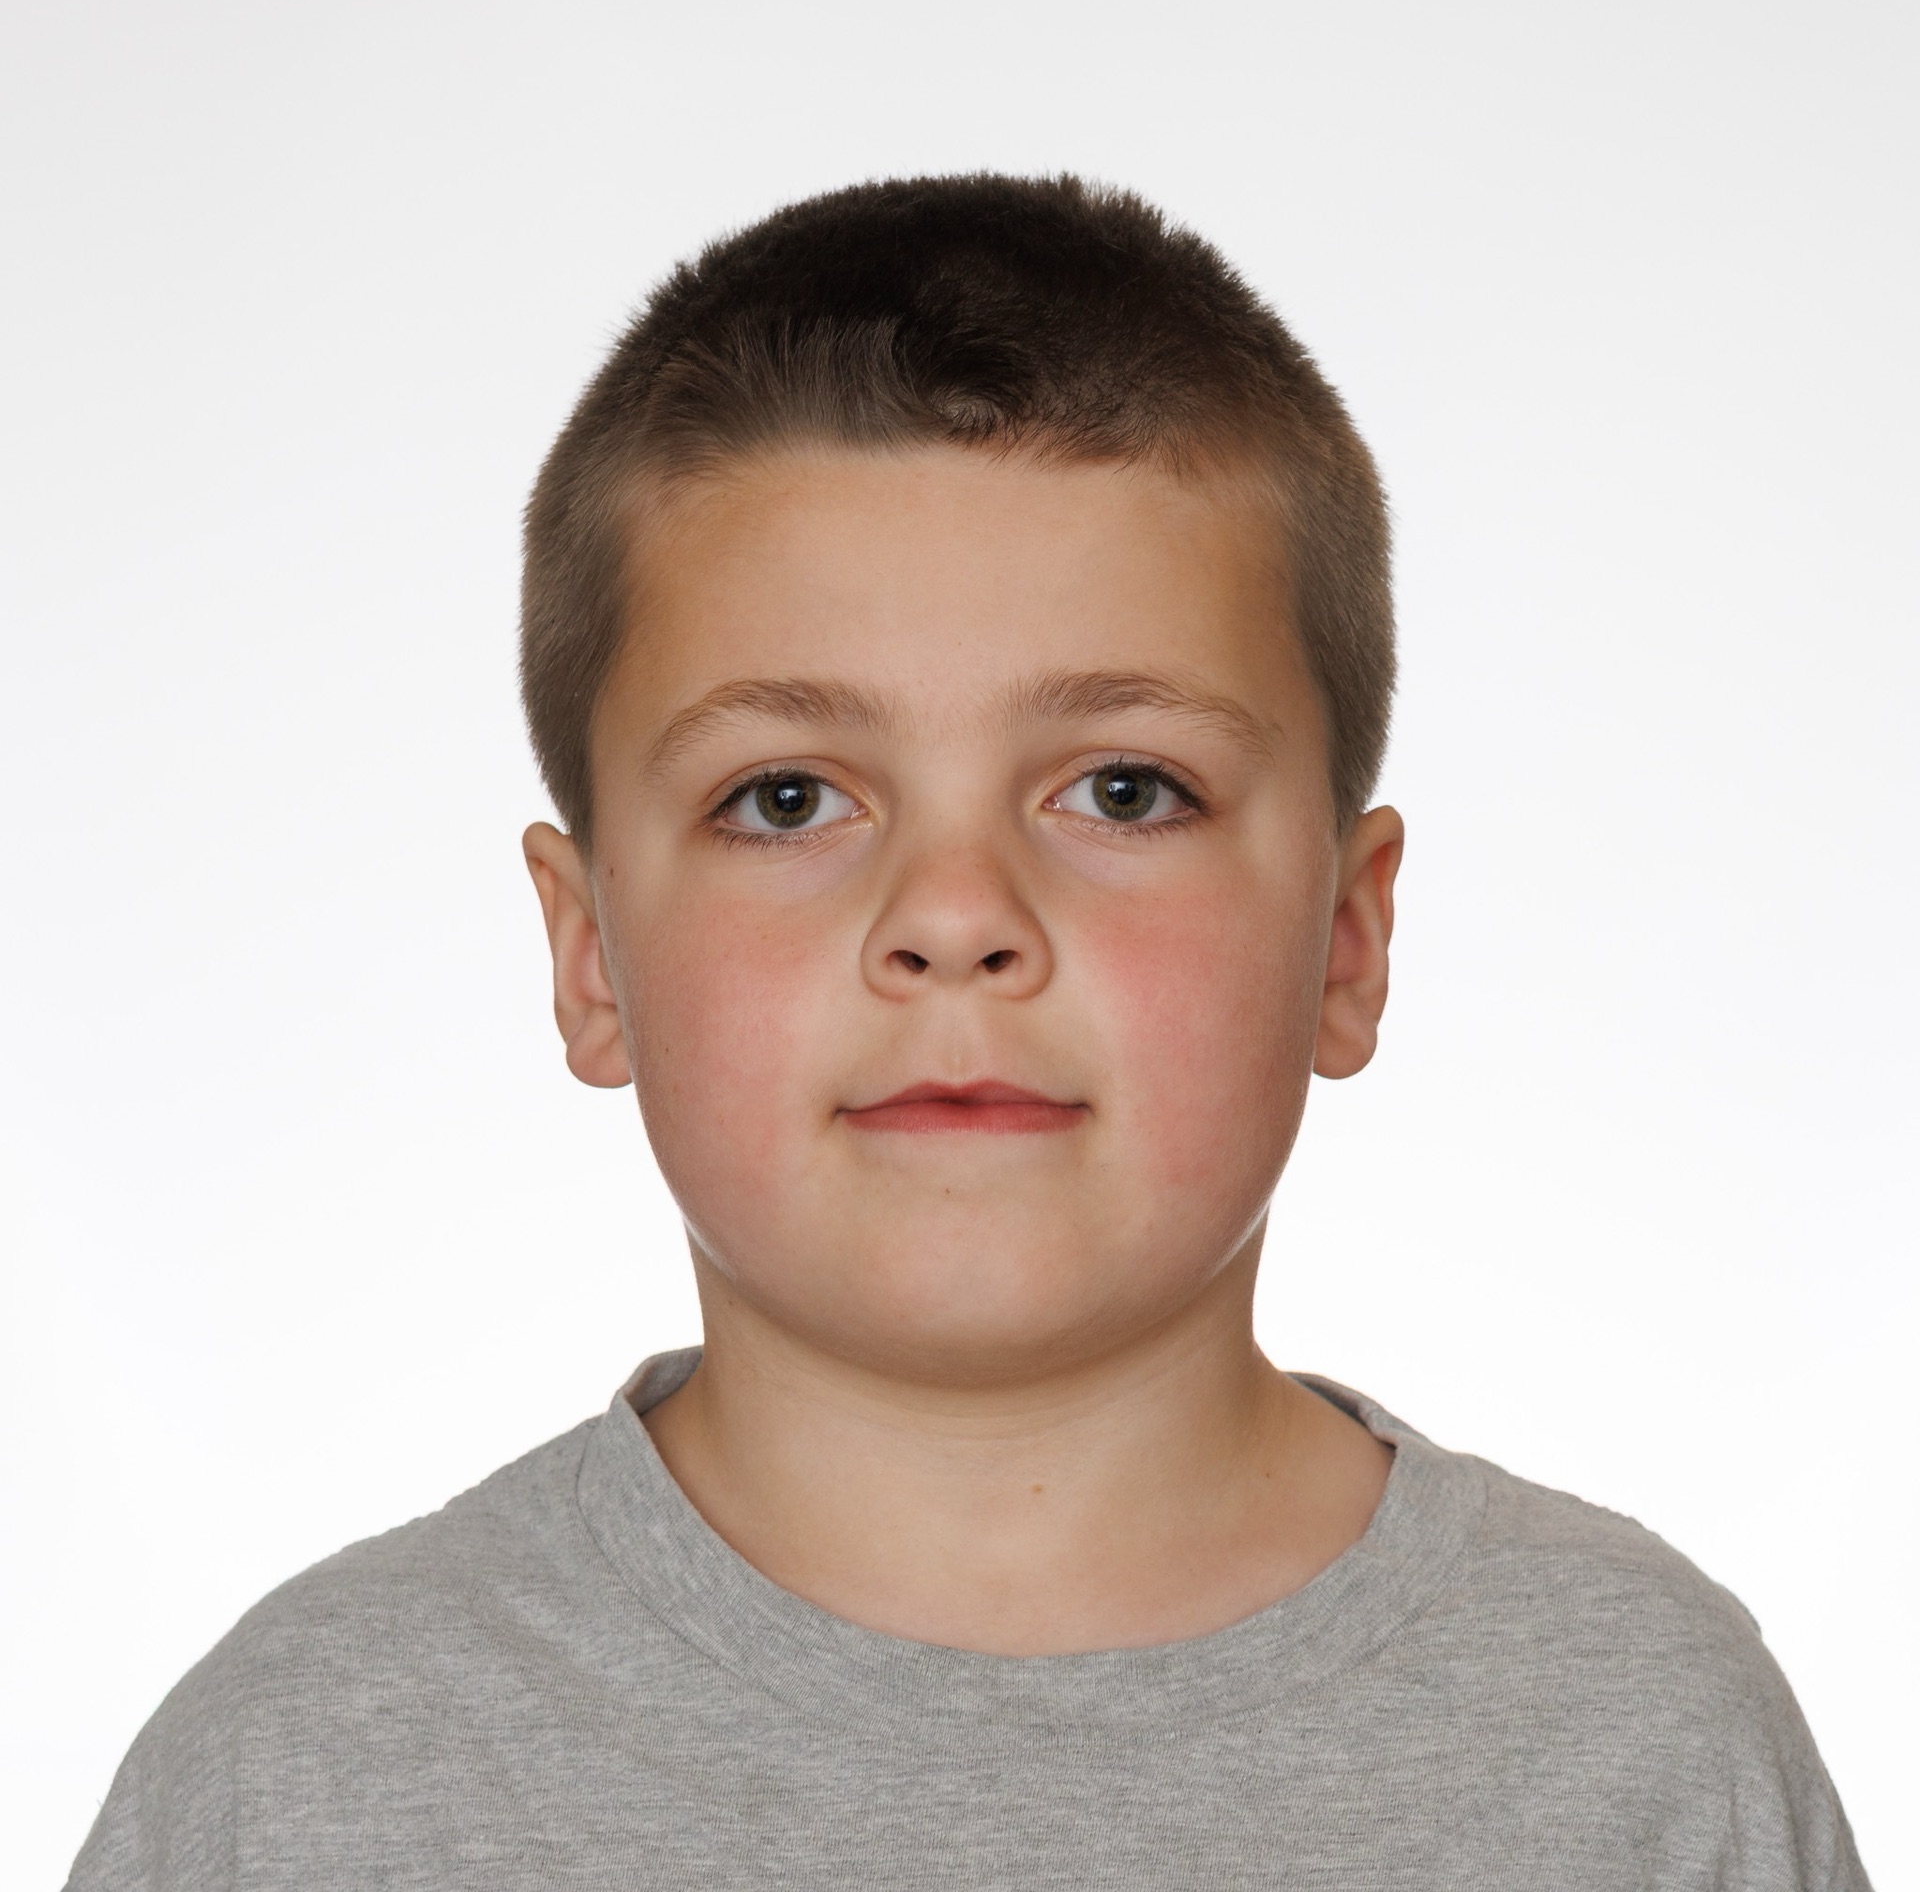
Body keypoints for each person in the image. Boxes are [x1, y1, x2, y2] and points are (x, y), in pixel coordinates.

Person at [67, 173, 1868, 1890]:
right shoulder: (305, 1778)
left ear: (1347, 934)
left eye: (1124, 788)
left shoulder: (1636, 1741)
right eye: (786, 798)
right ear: (590, 952)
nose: (952, 915)